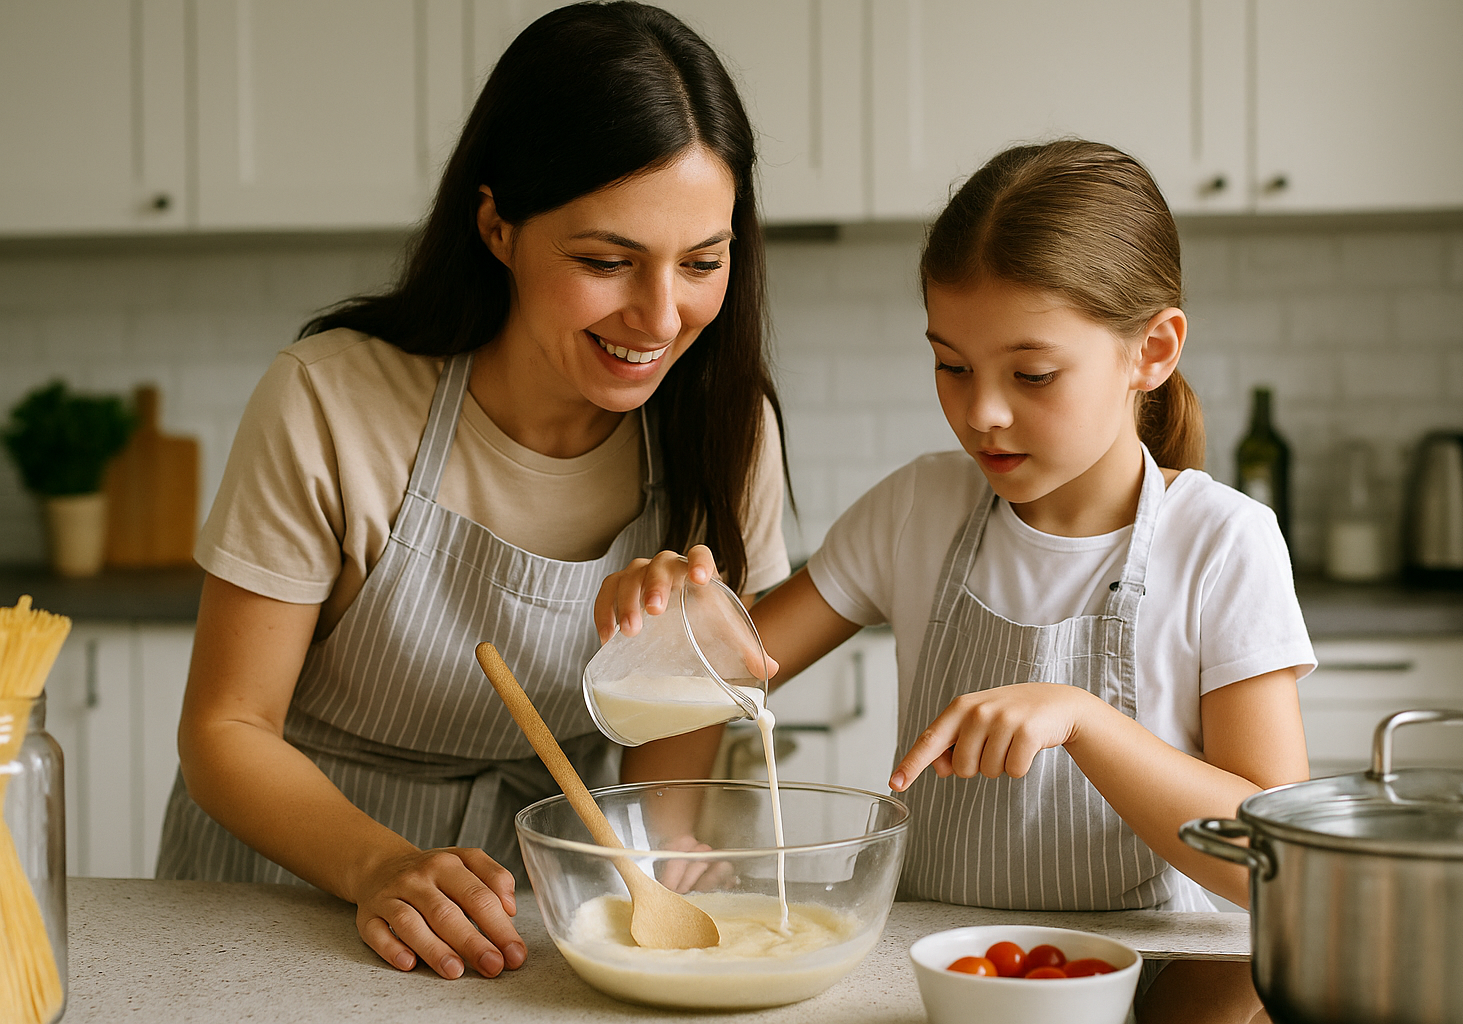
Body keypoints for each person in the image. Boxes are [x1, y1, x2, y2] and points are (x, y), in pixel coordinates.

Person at [596, 140, 1314, 1022]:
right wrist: (676, 634)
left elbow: (1281, 861)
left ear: (1152, 351)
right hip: (931, 984)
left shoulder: (1222, 543)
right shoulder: (918, 510)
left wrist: (1085, 721)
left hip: (1157, 992)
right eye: (952, 365)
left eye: (1033, 374)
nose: (983, 412)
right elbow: (713, 681)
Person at [156, 2, 791, 983]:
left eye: (702, 262)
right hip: (282, 899)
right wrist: (379, 866)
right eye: (606, 262)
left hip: (534, 922)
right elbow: (224, 731)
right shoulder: (332, 400)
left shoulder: (726, 434)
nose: (661, 317)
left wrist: (668, 843)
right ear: (498, 226)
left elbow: (663, 794)